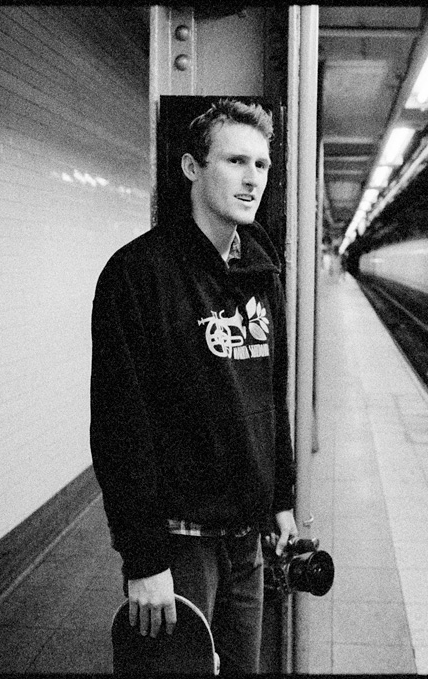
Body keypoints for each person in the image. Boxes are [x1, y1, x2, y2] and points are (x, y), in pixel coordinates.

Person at [90, 98, 298, 674]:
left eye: (261, 165)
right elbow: (119, 426)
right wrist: (144, 558)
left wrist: (281, 499)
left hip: (246, 540)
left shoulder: (263, 272)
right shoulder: (138, 274)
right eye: (235, 161)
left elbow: (270, 397)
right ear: (191, 167)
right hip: (181, 541)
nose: (252, 178)